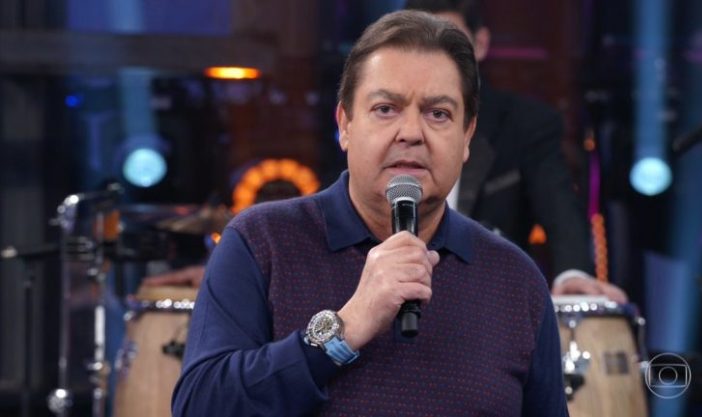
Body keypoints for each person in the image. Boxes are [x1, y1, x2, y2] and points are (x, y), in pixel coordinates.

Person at [171, 10, 567, 417]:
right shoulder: (262, 243)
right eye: (386, 108)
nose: (411, 133)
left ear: (466, 136)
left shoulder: (515, 280)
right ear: (345, 124)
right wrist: (345, 328)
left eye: (438, 114)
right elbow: (201, 405)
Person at [405, 0, 627, 302]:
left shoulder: (525, 124)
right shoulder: (383, 124)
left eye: (450, 44)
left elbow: (560, 211)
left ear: (480, 44)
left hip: (489, 303)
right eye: (419, 45)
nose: (434, 59)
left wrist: (572, 275)